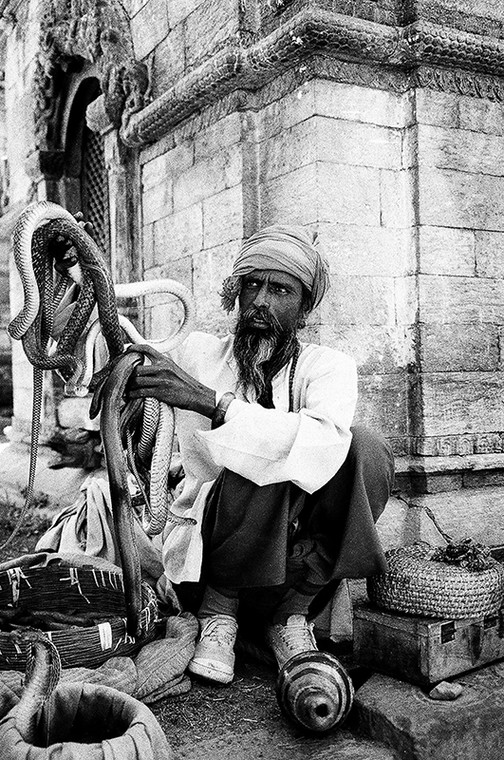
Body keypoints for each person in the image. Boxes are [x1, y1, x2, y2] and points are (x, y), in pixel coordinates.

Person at [127, 224, 394, 685]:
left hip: (293, 569)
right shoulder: (196, 353)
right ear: (236, 293)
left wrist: (215, 404)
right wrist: (75, 277)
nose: (262, 302)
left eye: (280, 289)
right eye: (252, 285)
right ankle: (219, 615)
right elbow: (120, 348)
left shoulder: (328, 366)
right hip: (212, 557)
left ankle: (291, 619)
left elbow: (321, 445)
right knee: (256, 455)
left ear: (305, 307)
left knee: (366, 449)